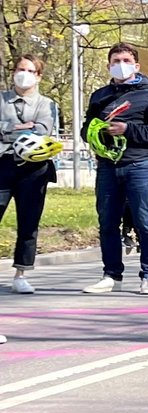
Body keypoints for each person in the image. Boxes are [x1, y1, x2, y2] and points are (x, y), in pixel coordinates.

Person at [82, 43, 148, 295]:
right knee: (107, 222)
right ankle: (111, 275)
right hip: (108, 166)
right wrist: (95, 133)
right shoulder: (100, 96)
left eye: (125, 60)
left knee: (145, 221)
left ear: (136, 65)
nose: (121, 65)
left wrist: (127, 129)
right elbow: (85, 129)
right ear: (109, 65)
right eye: (115, 61)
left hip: (139, 165)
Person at [0, 54, 60, 293]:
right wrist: (18, 128)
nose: (23, 74)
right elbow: (26, 130)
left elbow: (42, 130)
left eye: (30, 70)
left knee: (29, 221)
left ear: (38, 76)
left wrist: (7, 130)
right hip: (2, 163)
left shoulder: (47, 103)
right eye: (20, 69)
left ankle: (21, 273)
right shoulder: (2, 99)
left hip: (34, 168)